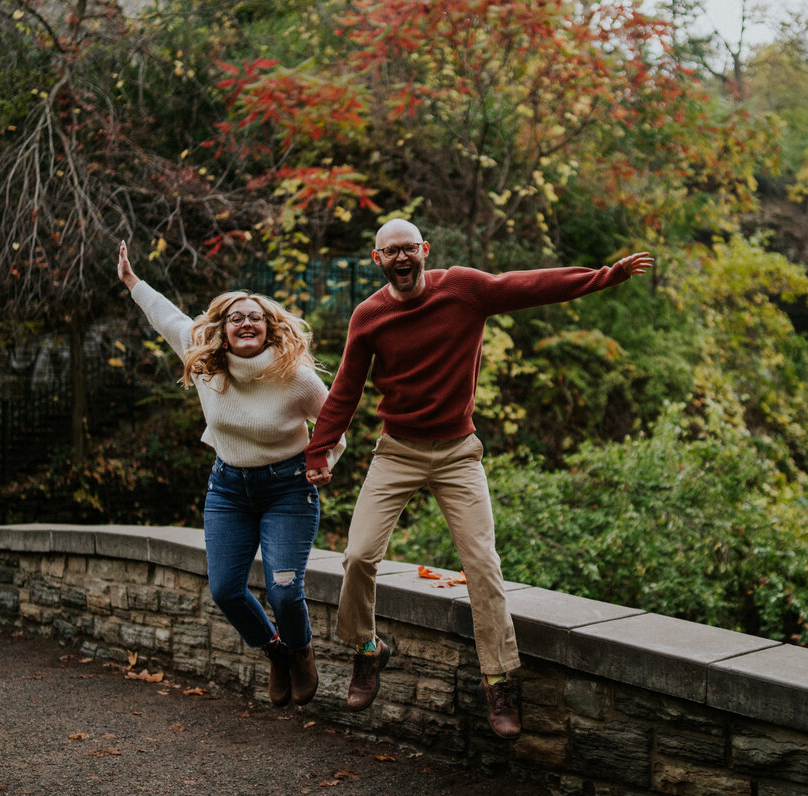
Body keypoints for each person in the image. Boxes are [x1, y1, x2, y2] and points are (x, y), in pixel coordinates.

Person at [304, 219, 651, 739]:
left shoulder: (463, 289)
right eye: (389, 251)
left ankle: (498, 679)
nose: (401, 258)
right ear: (377, 260)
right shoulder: (369, 316)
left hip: (458, 454)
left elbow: (530, 285)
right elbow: (346, 391)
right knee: (357, 555)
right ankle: (366, 649)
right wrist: (318, 452)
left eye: (408, 248)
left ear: (425, 250)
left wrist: (604, 277)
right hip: (396, 452)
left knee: (483, 566)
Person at [117, 240, 343, 707]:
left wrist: (323, 461)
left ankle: (301, 653)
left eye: (255, 317)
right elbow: (168, 317)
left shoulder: (294, 376)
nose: (246, 323)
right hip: (229, 490)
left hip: (287, 489)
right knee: (224, 589)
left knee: (283, 590)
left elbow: (333, 424)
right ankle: (275, 651)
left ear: (269, 327)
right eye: (236, 317)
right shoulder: (205, 363)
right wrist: (133, 282)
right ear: (221, 329)